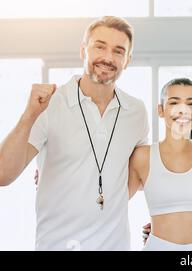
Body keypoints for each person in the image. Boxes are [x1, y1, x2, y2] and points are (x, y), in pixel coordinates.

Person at [0, 16, 149, 250]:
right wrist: (28, 116)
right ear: (83, 51)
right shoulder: (49, 103)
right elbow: (2, 174)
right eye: (100, 46)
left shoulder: (137, 111)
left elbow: (137, 174)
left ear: (127, 60)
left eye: (118, 51)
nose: (108, 58)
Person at [128, 78, 192, 250]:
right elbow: (113, 204)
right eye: (174, 103)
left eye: (190, 104)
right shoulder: (142, 156)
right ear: (160, 110)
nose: (182, 110)